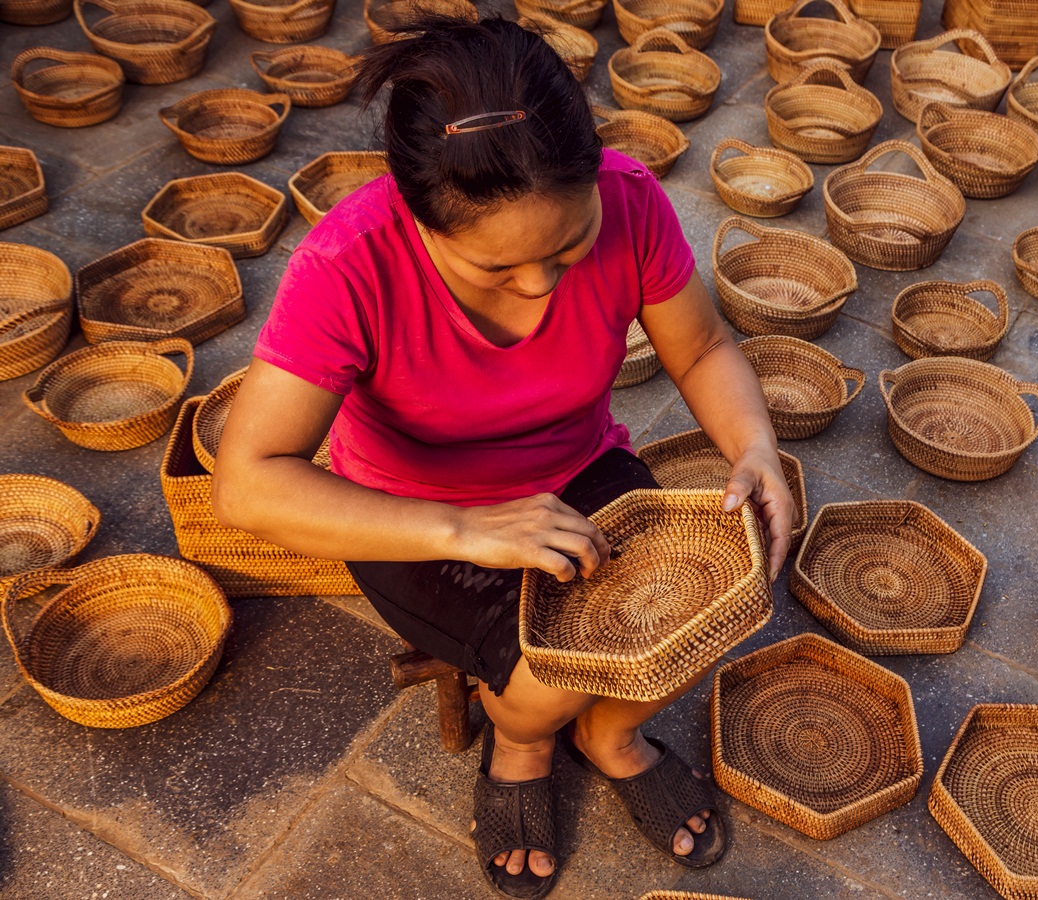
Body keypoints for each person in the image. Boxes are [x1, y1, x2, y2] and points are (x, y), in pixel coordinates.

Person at [212, 15, 795, 900]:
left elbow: (705, 347)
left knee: (714, 590)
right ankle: (518, 743)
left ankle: (609, 738)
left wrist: (755, 447)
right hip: (415, 513)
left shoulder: (634, 201)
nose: (541, 286)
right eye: (497, 270)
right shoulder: (348, 263)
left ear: (595, 171)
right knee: (543, 679)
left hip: (578, 466)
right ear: (419, 221)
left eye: (570, 247)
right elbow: (249, 484)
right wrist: (468, 527)